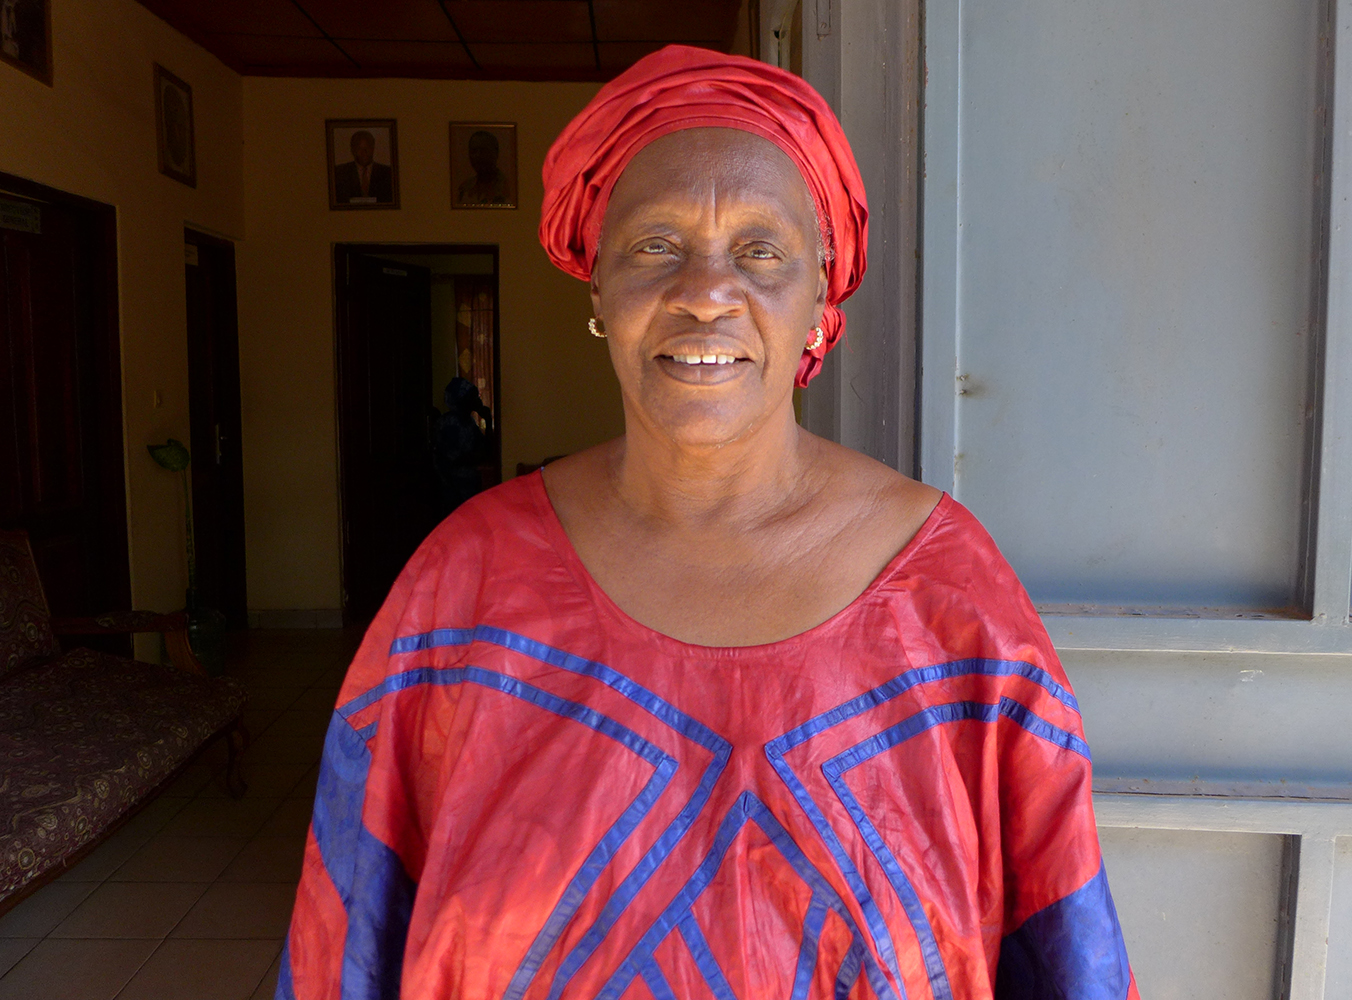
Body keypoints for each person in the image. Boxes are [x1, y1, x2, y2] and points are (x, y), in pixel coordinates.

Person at [280, 45, 1137, 1000]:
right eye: (655, 245)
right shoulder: (465, 587)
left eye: (762, 253)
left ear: (821, 298)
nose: (706, 290)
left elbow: (1064, 949)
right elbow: (345, 941)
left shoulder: (948, 599)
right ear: (597, 287)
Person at [432, 376, 493, 518]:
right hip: (454, 491)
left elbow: (486, 449)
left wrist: (488, 421)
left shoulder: (468, 422)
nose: (477, 399)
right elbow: (456, 459)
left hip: (468, 489)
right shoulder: (449, 423)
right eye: (472, 396)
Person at [334, 129, 393, 204]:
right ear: (353, 150)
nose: (363, 153)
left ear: (373, 148)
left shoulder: (387, 173)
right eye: (359, 149)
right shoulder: (340, 173)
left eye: (367, 148)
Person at [456, 129, 511, 206]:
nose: (478, 156)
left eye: (483, 150)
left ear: (496, 153)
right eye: (474, 151)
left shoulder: (509, 188)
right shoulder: (464, 189)